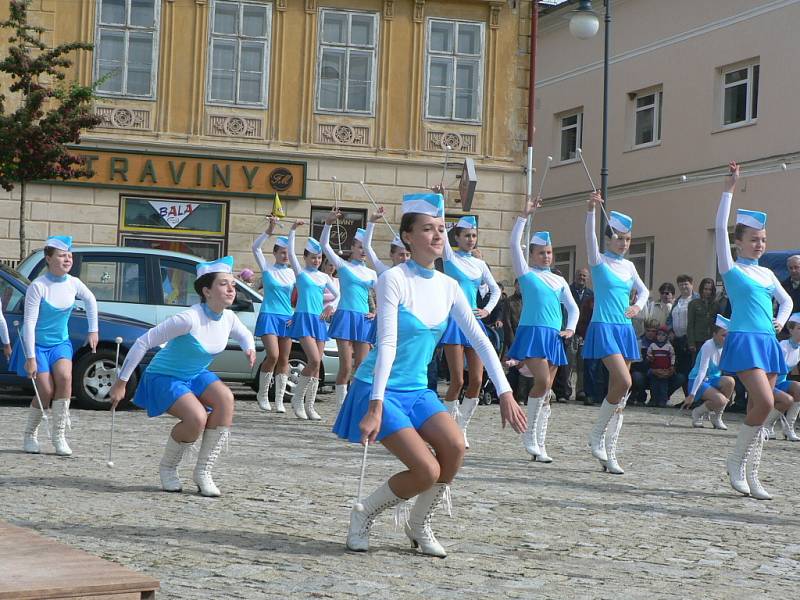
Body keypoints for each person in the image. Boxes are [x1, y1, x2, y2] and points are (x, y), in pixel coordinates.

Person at [332, 192, 526, 557]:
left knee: (453, 448)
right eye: (428, 229)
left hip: (418, 391)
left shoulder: (449, 286)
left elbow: (482, 343)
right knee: (425, 469)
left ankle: (418, 524)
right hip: (381, 388)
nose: (438, 235)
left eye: (440, 229)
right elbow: (386, 344)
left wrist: (505, 392)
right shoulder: (392, 279)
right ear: (408, 236)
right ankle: (363, 514)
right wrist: (374, 406)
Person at [109, 257, 256, 497]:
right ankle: (168, 468)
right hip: (164, 376)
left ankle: (203, 472)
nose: (231, 289)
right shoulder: (188, 318)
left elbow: (244, 335)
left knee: (226, 400)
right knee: (196, 418)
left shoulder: (229, 317)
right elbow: (143, 342)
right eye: (224, 284)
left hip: (195, 374)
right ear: (207, 291)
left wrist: (248, 348)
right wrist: (121, 382)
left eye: (233, 284)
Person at [716, 162, 792, 500]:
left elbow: (787, 301)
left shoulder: (767, 275)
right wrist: (729, 189)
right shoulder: (731, 269)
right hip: (745, 341)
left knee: (759, 411)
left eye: (762, 240)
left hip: (768, 342)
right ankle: (735, 462)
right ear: (739, 242)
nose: (759, 245)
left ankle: (752, 474)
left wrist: (781, 320)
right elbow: (719, 227)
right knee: (764, 401)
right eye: (753, 240)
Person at [10, 236, 98, 456]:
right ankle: (30, 434)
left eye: (69, 255)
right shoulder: (38, 287)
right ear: (48, 259)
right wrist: (30, 358)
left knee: (65, 378)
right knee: (46, 390)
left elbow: (91, 300)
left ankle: (59, 436)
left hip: (60, 343)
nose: (67, 259)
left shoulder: (73, 283)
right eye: (61, 255)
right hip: (37, 345)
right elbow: (29, 324)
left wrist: (93, 330)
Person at [507, 197, 578, 462]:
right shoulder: (526, 275)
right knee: (543, 382)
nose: (546, 256)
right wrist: (524, 216)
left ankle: (540, 441)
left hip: (554, 336)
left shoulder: (559, 280)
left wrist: (570, 329)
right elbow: (514, 244)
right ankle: (528, 435)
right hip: (532, 333)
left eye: (548, 252)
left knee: (548, 388)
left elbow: (573, 309)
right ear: (532, 255)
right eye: (540, 252)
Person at [584, 194, 649, 475]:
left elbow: (645, 291)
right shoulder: (599, 262)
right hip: (604, 326)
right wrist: (590, 211)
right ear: (609, 239)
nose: (624, 243)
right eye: (619, 238)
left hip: (624, 330)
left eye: (628, 238)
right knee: (623, 381)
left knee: (621, 395)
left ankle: (610, 453)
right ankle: (597, 434)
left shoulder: (630, 266)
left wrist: (637, 306)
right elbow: (589, 238)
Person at [438, 212, 501, 448]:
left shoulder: (480, 264)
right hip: (455, 322)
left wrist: (486, 310)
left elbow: (495, 290)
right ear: (457, 237)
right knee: (457, 380)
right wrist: (441, 203)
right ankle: (447, 430)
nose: (471, 239)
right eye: (466, 235)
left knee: (476, 379)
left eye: (474, 235)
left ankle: (461, 427)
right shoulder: (450, 258)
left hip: (475, 323)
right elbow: (441, 231)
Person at [321, 214, 377, 408]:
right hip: (345, 317)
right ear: (352, 247)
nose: (362, 251)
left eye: (365, 247)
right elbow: (325, 246)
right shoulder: (342, 265)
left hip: (364, 320)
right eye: (359, 247)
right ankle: (341, 408)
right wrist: (328, 223)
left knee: (361, 368)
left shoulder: (371, 273)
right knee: (345, 367)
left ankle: (355, 406)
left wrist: (376, 312)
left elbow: (385, 295)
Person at [287, 222, 339, 420]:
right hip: (303, 319)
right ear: (306, 258)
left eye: (319, 257)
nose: (316, 260)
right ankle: (297, 399)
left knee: (317, 365)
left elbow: (338, 295)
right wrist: (292, 231)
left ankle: (310, 405)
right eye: (313, 257)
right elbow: (290, 253)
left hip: (318, 321)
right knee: (314, 360)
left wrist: (330, 307)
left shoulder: (324, 277)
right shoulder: (300, 273)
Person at [251, 218, 296, 413]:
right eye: (282, 253)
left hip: (286, 317)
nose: (286, 256)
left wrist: (295, 315)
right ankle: (262, 393)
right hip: (269, 315)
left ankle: (279, 400)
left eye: (288, 253)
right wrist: (269, 230)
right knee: (273, 355)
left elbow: (300, 298)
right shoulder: (267, 267)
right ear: (275, 253)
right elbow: (255, 248)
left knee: (284, 359)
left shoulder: (293, 273)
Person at [682, 315, 734, 429]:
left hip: (712, 380)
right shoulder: (708, 345)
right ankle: (697, 412)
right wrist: (692, 394)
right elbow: (701, 371)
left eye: (728, 336)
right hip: (697, 380)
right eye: (723, 335)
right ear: (714, 334)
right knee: (721, 400)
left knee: (730, 381)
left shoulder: (726, 346)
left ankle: (717, 417)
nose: (726, 338)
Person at [763, 313, 800, 441]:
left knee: (799, 388)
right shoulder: (782, 346)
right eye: (799, 328)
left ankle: (788, 428)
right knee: (787, 399)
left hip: (780, 384)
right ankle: (766, 425)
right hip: (768, 384)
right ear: (790, 330)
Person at [668, 275, 697, 393]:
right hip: (677, 340)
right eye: (681, 284)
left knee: (689, 370)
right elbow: (669, 319)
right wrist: (670, 331)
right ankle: (685, 398)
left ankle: (690, 397)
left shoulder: (695, 300)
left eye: (686, 283)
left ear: (691, 284)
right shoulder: (677, 301)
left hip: (690, 340)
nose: (683, 286)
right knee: (681, 370)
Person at [568, 268, 593, 403]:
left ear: (587, 278)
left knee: (582, 365)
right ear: (575, 276)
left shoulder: (591, 294)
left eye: (584, 276)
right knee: (569, 364)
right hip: (570, 332)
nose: (581, 278)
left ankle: (580, 391)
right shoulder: (568, 291)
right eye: (579, 275)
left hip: (584, 334)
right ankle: (566, 392)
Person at [364, 208, 411, 275]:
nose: (405, 259)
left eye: (408, 255)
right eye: (401, 254)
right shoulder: (385, 271)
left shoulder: (413, 276)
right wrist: (372, 221)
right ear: (391, 255)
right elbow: (366, 246)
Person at [646, 325, 684, 407]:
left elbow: (672, 356)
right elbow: (648, 353)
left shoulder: (669, 346)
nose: (660, 337)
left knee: (663, 387)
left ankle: (663, 401)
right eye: (659, 334)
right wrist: (650, 357)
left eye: (663, 335)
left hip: (665, 370)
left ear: (666, 336)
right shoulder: (653, 345)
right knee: (654, 386)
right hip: (655, 369)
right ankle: (653, 400)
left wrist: (672, 366)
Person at [687, 277, 720, 361]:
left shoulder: (716, 304)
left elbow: (719, 324)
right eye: (705, 289)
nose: (708, 292)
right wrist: (691, 343)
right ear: (701, 289)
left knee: (711, 365)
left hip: (712, 340)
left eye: (710, 289)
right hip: (698, 341)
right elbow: (690, 324)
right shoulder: (694, 304)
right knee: (697, 365)